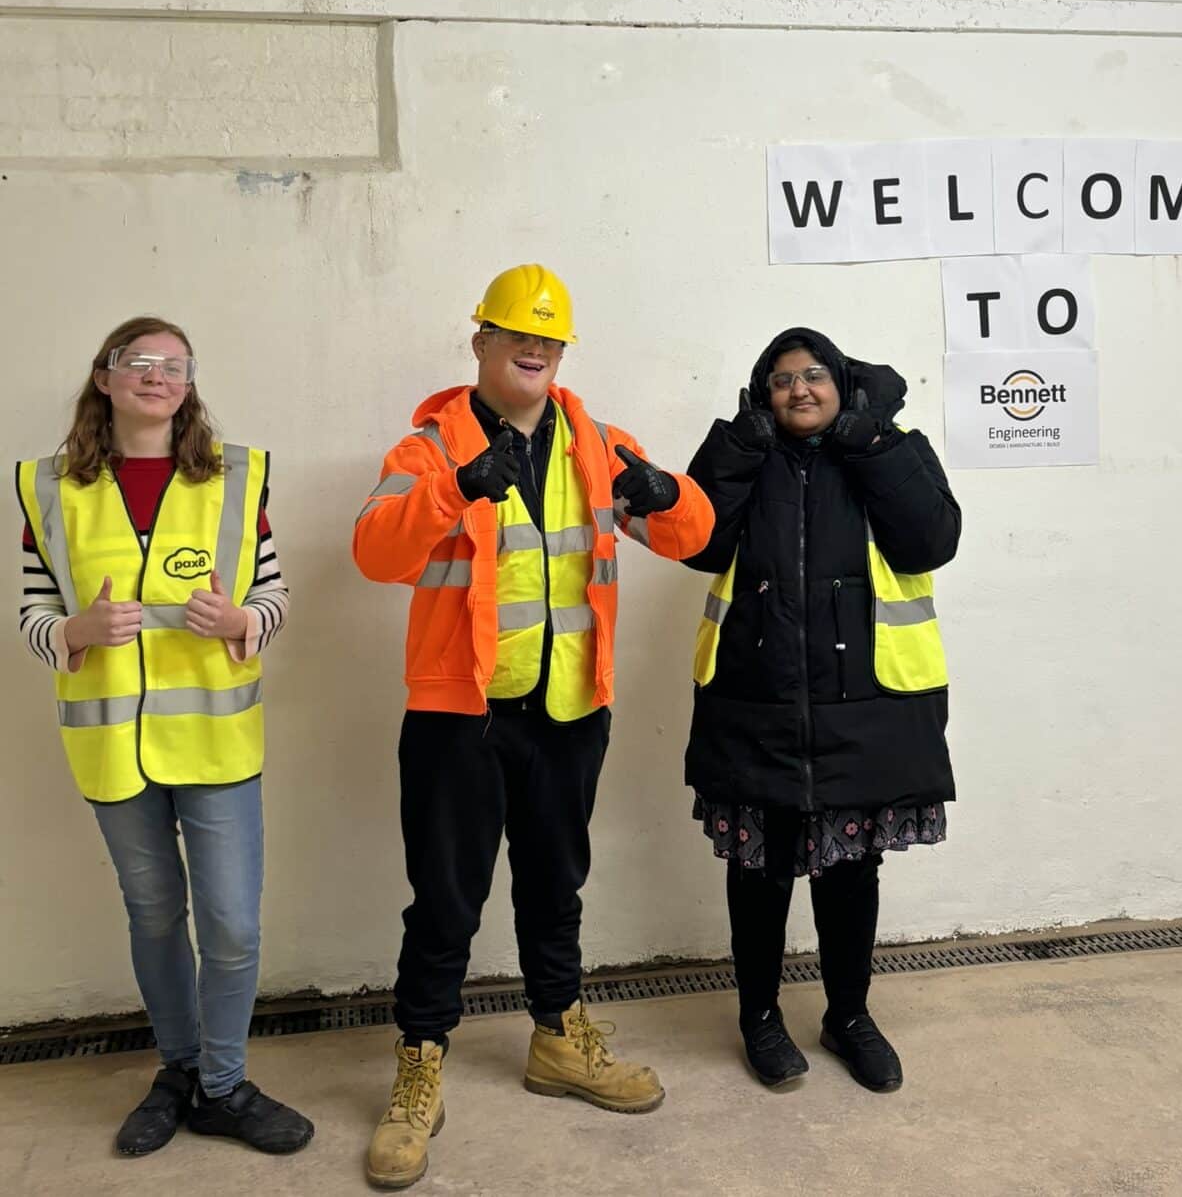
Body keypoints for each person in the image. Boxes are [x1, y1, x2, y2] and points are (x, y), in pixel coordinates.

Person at [353, 264, 713, 1191]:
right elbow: (375, 551)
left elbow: (692, 536)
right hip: (459, 716)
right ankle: (420, 1066)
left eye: (549, 339)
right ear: (481, 341)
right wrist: (457, 488)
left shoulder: (596, 442)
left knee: (556, 887)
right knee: (445, 900)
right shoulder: (430, 445)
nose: (535, 348)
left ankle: (557, 1038)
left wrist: (665, 491)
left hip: (569, 711)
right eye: (518, 333)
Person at [15, 316, 313, 1159]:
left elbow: (275, 593)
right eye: (139, 361)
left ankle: (223, 1084)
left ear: (189, 386)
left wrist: (243, 618)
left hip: (216, 742)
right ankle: (181, 1070)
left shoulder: (234, 476)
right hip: (113, 745)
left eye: (175, 365)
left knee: (232, 925)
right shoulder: (50, 488)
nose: (158, 376)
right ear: (104, 376)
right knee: (153, 914)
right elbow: (34, 610)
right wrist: (74, 631)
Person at [682, 327, 961, 1092]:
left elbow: (932, 539)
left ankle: (850, 1016)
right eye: (781, 379)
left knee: (849, 872)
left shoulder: (890, 446)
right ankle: (760, 1018)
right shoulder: (749, 453)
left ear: (841, 382)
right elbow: (696, 542)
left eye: (813, 375)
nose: (798, 389)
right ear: (762, 394)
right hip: (756, 702)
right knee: (760, 872)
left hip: (862, 706)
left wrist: (871, 442)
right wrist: (738, 447)